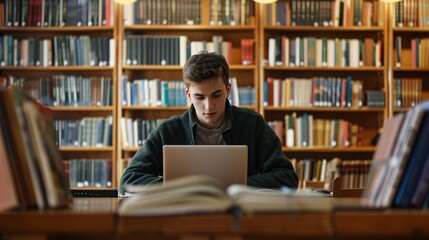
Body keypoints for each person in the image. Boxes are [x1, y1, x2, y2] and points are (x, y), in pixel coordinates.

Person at [119, 51, 298, 194]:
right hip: (183, 219)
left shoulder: (253, 124)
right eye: (199, 97)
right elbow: (129, 180)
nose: (208, 106)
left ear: (228, 90)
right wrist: (183, 187)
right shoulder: (168, 130)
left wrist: (232, 186)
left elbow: (287, 178)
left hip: (239, 219)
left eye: (216, 95)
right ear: (188, 95)